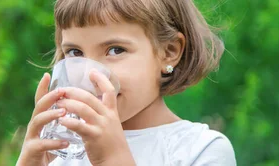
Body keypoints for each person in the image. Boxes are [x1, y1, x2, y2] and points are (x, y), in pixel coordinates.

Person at [17, 0, 236, 165]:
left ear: (169, 51)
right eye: (75, 52)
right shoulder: (66, 150)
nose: (89, 75)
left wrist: (113, 159)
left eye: (115, 50)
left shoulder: (200, 149)